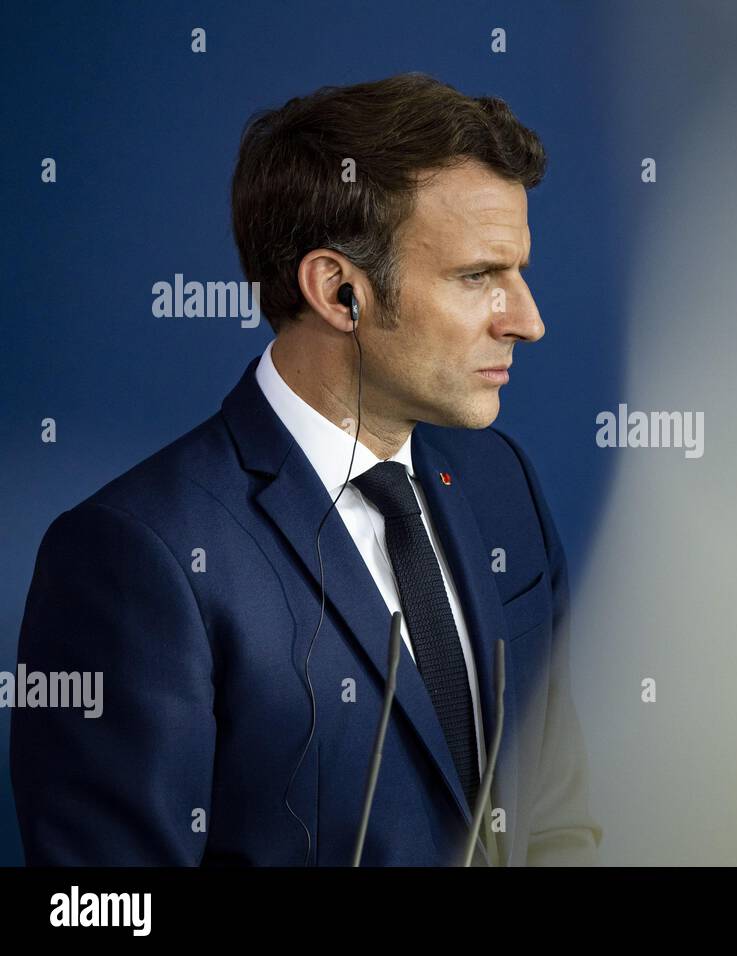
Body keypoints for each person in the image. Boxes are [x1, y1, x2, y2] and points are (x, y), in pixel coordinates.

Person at [10, 73, 601, 866]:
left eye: (518, 272)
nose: (526, 321)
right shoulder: (136, 556)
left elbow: (556, 822)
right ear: (338, 291)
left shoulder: (502, 484)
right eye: (477, 277)